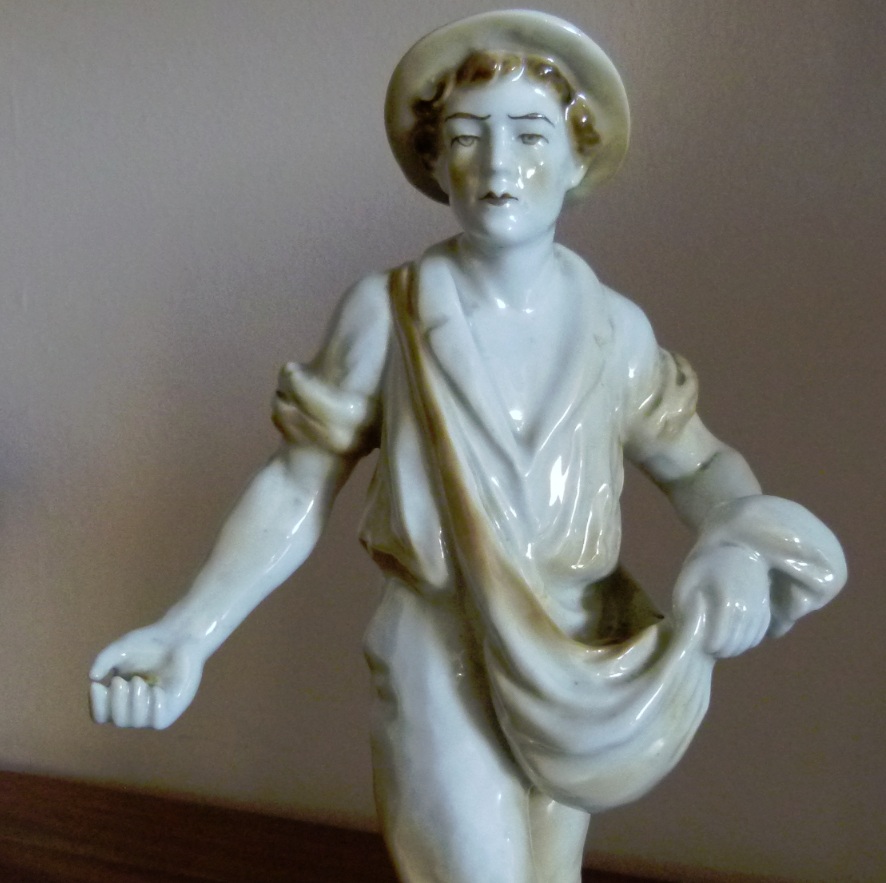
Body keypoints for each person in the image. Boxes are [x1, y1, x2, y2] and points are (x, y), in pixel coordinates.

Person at [90, 12, 845, 883]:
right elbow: (298, 484)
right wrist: (189, 630)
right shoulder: (389, 313)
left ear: (578, 157)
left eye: (529, 135)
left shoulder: (616, 332)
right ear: (435, 161)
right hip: (439, 650)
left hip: (579, 658)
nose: (496, 166)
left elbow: (704, 466)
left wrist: (738, 547)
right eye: (465, 137)